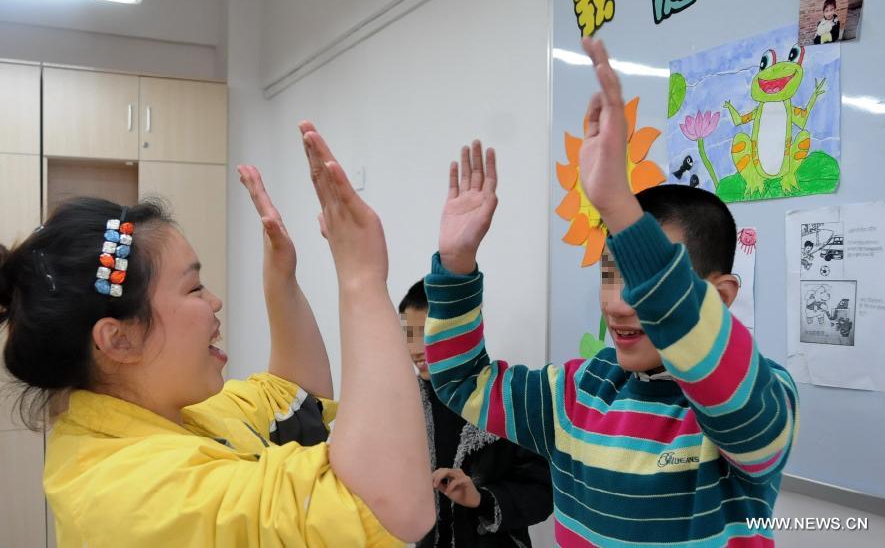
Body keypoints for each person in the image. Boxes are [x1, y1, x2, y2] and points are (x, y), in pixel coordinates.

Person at [421, 38, 798, 546]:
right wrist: (456, 263)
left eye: (642, 278)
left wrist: (620, 206)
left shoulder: (759, 396)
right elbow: (462, 382)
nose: (617, 303)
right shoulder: (576, 392)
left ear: (721, 297)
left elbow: (724, 386)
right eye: (607, 274)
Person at [0, 122, 434, 547]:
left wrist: (280, 282)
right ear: (119, 339)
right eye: (193, 288)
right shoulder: (135, 497)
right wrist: (361, 279)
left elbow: (293, 399)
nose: (214, 301)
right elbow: (387, 509)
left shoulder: (178, 415)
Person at [400, 280, 552, 547]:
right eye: (407, 334)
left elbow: (542, 493)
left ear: (463, 331)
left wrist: (481, 498)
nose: (414, 349)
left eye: (425, 334)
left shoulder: (507, 398)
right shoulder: (403, 405)